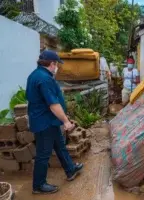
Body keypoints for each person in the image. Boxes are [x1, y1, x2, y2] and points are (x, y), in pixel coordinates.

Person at [26, 50, 83, 194]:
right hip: (45, 122)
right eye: (56, 64)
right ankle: (38, 185)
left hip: (49, 121)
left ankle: (70, 170)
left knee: (60, 146)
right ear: (52, 64)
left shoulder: (35, 75)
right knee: (43, 154)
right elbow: (53, 104)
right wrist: (66, 121)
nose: (57, 67)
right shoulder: (45, 79)